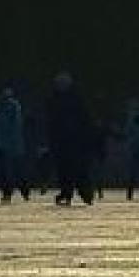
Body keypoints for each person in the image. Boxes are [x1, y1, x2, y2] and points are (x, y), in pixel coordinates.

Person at [46, 73, 95, 206]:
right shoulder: (55, 100)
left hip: (75, 140)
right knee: (64, 169)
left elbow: (86, 119)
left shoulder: (75, 99)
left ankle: (85, 193)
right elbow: (51, 122)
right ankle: (67, 192)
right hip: (62, 141)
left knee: (78, 168)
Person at [0, 86, 30, 203]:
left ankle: (24, 191)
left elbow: (15, 126)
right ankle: (7, 192)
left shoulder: (13, 106)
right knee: (2, 171)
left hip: (12, 145)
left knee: (15, 170)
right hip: (1, 145)